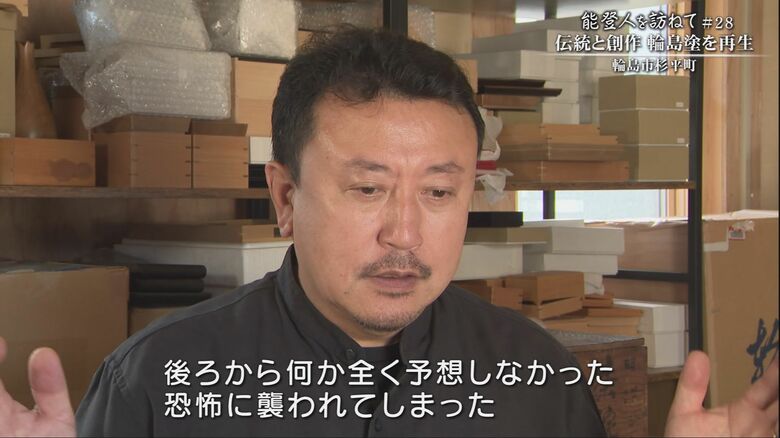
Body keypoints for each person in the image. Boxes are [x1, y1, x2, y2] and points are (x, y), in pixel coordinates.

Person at [0, 27, 777, 437]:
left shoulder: (535, 378)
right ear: (285, 198)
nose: (404, 232)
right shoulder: (158, 382)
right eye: (368, 189)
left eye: (439, 191)